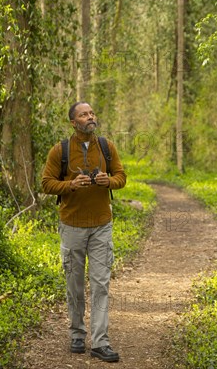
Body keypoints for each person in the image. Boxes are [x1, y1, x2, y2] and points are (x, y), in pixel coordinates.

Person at [41, 101, 126, 363]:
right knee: (75, 284)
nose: (90, 117)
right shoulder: (60, 151)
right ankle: (77, 333)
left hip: (102, 225)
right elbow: (46, 183)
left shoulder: (106, 147)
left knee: (101, 284)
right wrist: (70, 185)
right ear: (74, 122)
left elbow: (121, 176)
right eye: (84, 114)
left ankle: (101, 342)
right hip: (72, 226)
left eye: (91, 113)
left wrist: (108, 181)